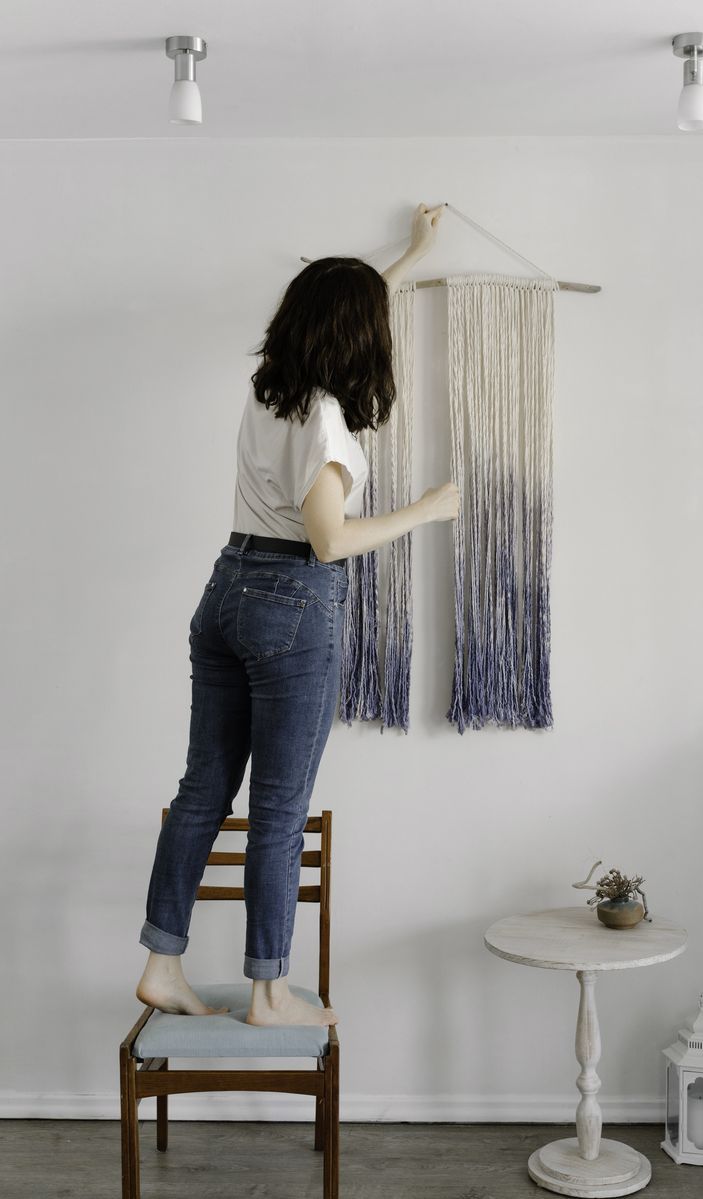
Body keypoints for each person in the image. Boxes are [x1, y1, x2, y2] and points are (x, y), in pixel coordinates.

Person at [135, 203, 459, 1027]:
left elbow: (350, 310)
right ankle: (269, 991)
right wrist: (425, 508)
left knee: (203, 788)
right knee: (280, 808)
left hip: (227, 588)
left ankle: (161, 963)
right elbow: (328, 539)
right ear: (357, 337)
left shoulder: (268, 389)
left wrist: (413, 254)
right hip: (290, 602)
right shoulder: (325, 417)